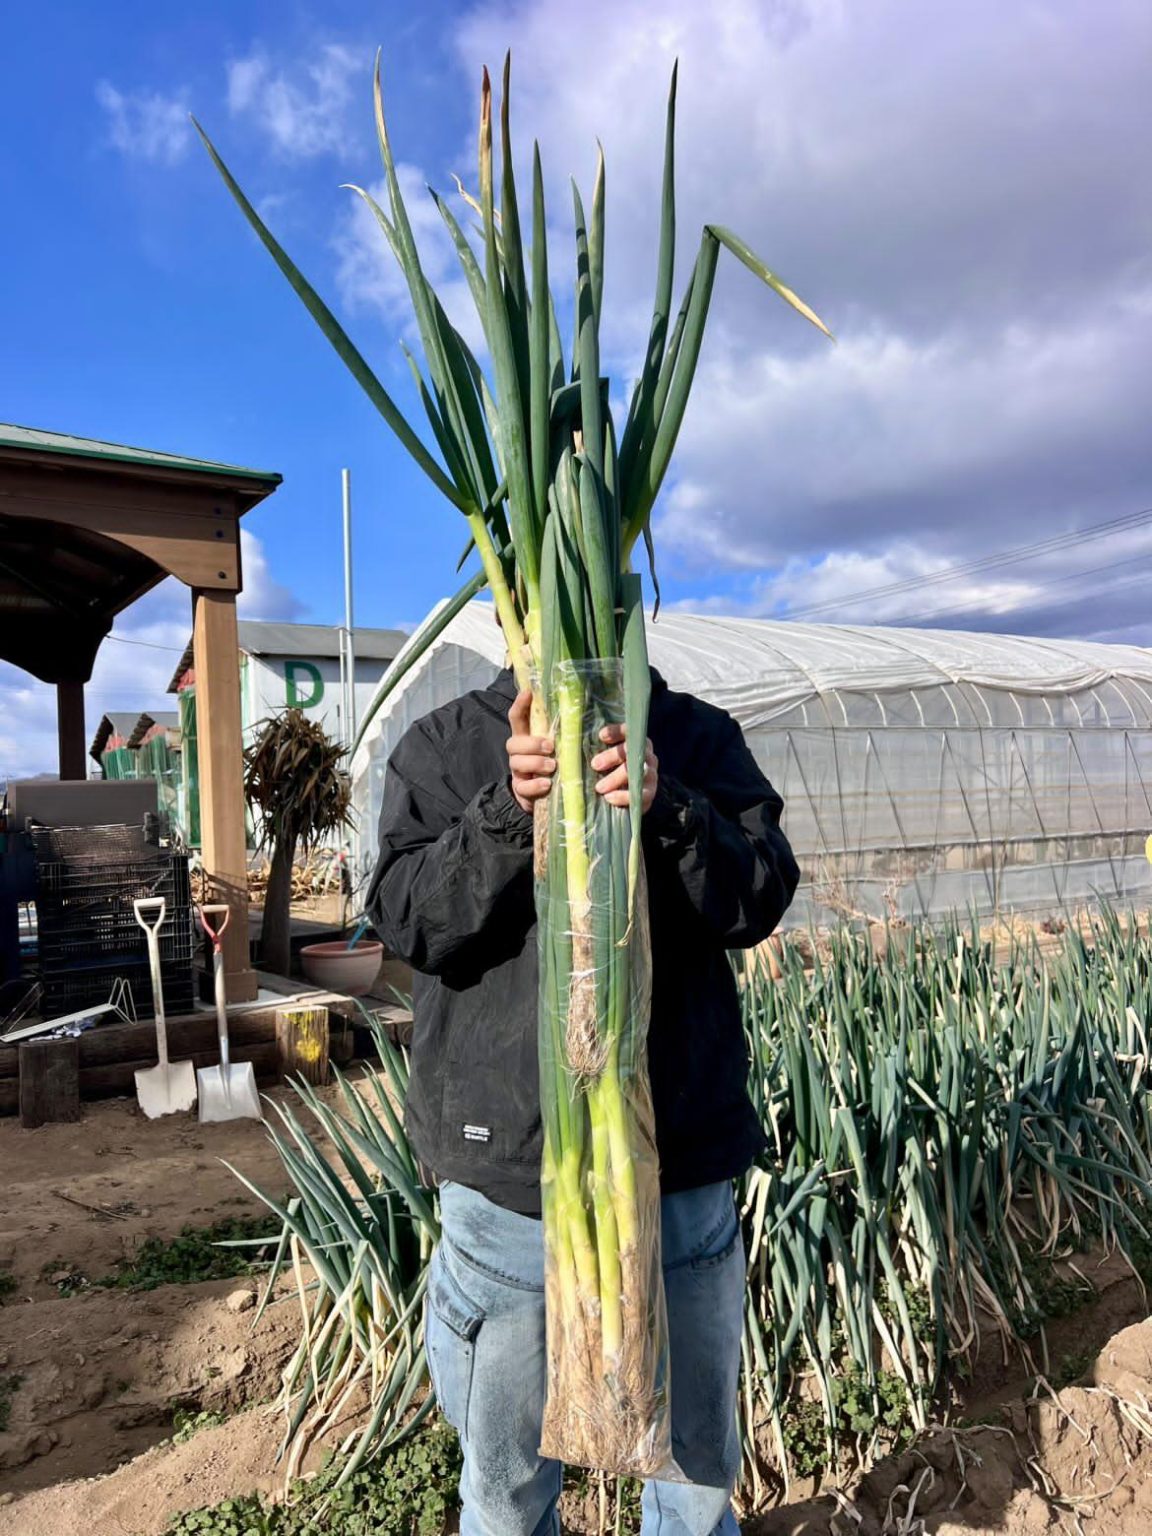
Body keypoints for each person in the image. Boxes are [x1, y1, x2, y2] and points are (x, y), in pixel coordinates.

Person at [366, 662, 799, 1536]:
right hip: (511, 1186)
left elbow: (759, 898)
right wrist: (504, 811)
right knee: (506, 1494)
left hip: (678, 1177)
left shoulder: (694, 734)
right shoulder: (451, 741)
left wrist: (670, 808)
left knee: (696, 1478)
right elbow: (407, 921)